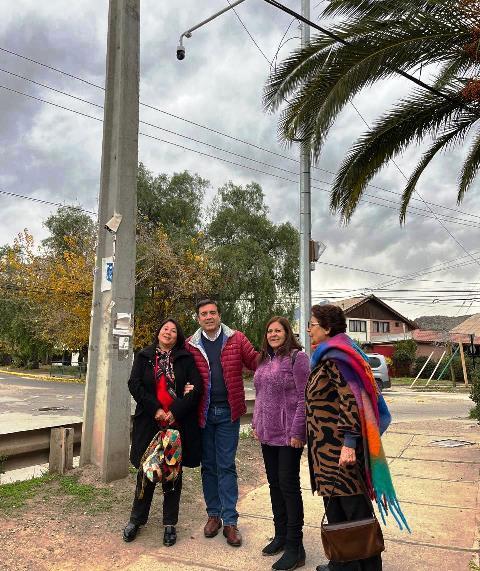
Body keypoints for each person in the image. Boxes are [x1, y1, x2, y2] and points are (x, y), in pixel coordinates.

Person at [306, 304, 409, 571]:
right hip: (326, 452)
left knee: (356, 513)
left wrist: (350, 443)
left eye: (312, 324)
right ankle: (343, 564)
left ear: (327, 328)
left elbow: (351, 400)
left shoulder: (336, 358)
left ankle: (369, 567)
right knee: (338, 511)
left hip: (339, 451)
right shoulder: (329, 355)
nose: (308, 330)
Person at [123, 318, 202, 546]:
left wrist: (175, 412)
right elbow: (134, 384)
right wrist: (156, 409)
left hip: (175, 425)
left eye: (173, 330)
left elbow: (196, 388)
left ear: (178, 336)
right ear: (158, 332)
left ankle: (169, 524)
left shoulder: (185, 358)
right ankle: (136, 520)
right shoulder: (144, 356)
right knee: (145, 471)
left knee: (172, 473)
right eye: (165, 328)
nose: (168, 332)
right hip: (150, 422)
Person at [185, 299, 258, 547]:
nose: (208, 317)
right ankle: (213, 515)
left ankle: (230, 522)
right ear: (198, 318)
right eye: (203, 313)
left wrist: (283, 353)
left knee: (226, 466)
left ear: (219, 315)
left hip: (228, 413)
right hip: (203, 415)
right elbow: (181, 372)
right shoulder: (191, 344)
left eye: (212, 313)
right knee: (209, 466)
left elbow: (256, 362)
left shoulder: (236, 339)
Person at [252, 316, 310, 571]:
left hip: (289, 436)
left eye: (278, 330)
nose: (273, 334)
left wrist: (298, 431)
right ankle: (281, 535)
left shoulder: (298, 358)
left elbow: (305, 398)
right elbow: (260, 396)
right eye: (269, 331)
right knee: (275, 485)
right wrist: (256, 424)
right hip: (268, 434)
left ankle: (296, 547)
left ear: (287, 333)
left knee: (288, 486)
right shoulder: (264, 360)